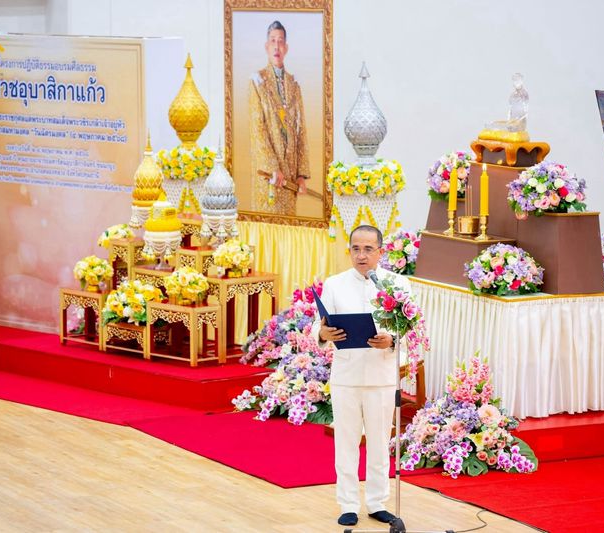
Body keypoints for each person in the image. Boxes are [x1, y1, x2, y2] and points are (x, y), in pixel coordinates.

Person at [311, 225, 412, 527]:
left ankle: (377, 502)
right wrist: (323, 332)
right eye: (356, 248)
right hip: (347, 374)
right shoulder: (335, 284)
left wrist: (391, 340)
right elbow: (320, 327)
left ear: (381, 251)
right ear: (350, 251)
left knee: (380, 443)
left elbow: (411, 329)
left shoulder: (397, 285)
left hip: (382, 374)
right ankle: (348, 502)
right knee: (346, 441)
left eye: (368, 249)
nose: (362, 255)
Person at [248, 20, 311, 215]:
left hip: (290, 177)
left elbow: (301, 130)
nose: (277, 46)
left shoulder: (294, 84)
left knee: (289, 231)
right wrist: (272, 167)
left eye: (281, 41)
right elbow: (257, 129)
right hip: (270, 177)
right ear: (267, 47)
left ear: (286, 48)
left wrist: (301, 175)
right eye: (273, 41)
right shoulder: (257, 82)